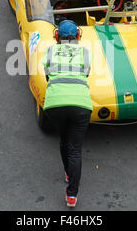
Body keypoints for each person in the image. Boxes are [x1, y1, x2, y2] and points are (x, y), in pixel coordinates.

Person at [42, 20, 93, 207]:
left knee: (64, 139)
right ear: (78, 36)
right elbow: (86, 74)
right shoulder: (86, 52)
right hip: (81, 105)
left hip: (54, 105)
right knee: (75, 149)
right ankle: (72, 194)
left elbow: (47, 74)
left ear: (57, 37)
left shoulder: (50, 51)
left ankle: (67, 171)